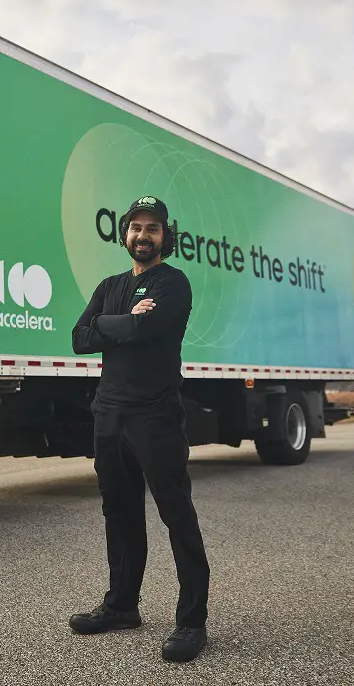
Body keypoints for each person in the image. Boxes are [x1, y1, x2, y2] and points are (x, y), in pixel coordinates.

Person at [69, 195, 211, 663]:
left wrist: (115, 327)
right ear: (124, 233)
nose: (142, 236)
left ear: (164, 236)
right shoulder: (111, 285)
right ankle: (121, 607)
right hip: (108, 414)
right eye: (135, 227)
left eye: (152, 228)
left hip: (155, 415)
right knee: (120, 513)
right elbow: (79, 338)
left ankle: (191, 621)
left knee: (176, 514)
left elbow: (141, 333)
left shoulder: (174, 284)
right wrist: (126, 320)